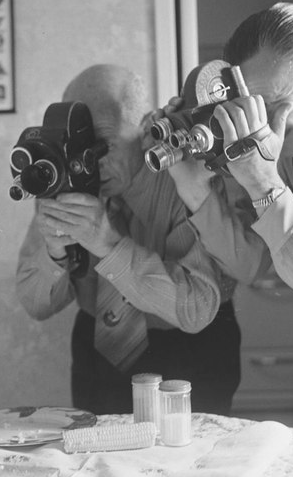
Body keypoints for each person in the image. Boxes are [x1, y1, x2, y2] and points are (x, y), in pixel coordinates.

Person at [164, 2, 293, 442]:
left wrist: (262, 181)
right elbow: (257, 266)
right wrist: (195, 187)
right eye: (252, 108)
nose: (263, 128)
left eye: (274, 104)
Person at [16, 64, 242, 416]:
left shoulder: (187, 177)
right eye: (78, 147)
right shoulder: (65, 180)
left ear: (144, 126)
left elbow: (197, 309)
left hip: (190, 348)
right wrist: (56, 254)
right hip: (99, 349)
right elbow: (35, 304)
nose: (90, 164)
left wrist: (107, 245)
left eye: (102, 145)